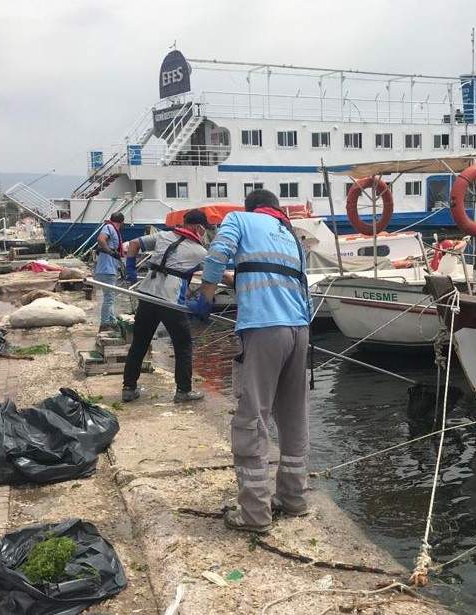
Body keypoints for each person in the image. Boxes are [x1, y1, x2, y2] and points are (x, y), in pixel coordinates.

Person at [198, 189, 312, 533]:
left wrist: (205, 294)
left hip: (263, 329)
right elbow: (290, 279)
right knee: (293, 417)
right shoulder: (290, 233)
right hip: (300, 330)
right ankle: (294, 499)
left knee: (252, 418)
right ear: (275, 209)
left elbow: (218, 252)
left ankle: (255, 515)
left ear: (250, 208)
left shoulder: (238, 219)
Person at [121, 209, 211, 404]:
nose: (204, 233)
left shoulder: (163, 235)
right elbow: (216, 275)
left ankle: (129, 388)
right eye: (204, 230)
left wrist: (130, 268)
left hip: (147, 294)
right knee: (183, 345)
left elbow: (134, 244)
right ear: (198, 227)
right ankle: (183, 391)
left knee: (140, 342)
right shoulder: (200, 252)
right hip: (170, 301)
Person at [93, 212, 126, 332]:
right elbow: (101, 239)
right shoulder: (109, 227)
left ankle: (112, 321)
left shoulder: (111, 229)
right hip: (106, 269)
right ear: (121, 222)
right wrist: (110, 252)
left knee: (110, 297)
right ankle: (105, 323)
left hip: (109, 268)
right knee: (109, 298)